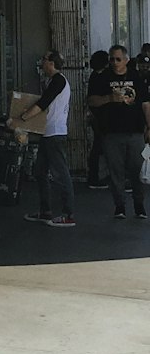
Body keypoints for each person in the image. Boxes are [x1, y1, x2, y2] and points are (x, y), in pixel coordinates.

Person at [12, 50, 75, 227]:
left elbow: (43, 103)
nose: (42, 63)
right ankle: (45, 210)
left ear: (51, 63)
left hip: (55, 133)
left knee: (60, 173)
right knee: (40, 171)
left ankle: (68, 213)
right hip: (48, 132)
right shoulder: (53, 81)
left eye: (44, 60)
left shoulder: (58, 81)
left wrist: (23, 117)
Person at [88, 44, 150, 219]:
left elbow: (146, 104)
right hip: (111, 132)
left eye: (118, 59)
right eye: (112, 59)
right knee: (116, 171)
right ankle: (120, 205)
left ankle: (139, 205)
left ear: (126, 60)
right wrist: (109, 98)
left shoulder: (136, 78)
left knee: (137, 169)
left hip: (135, 132)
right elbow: (92, 101)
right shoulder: (103, 78)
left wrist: (149, 127)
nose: (115, 63)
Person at [86, 50, 111, 189]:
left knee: (98, 146)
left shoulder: (94, 76)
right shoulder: (102, 77)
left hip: (97, 116)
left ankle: (94, 176)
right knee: (102, 146)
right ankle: (95, 177)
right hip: (102, 117)